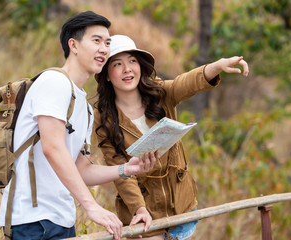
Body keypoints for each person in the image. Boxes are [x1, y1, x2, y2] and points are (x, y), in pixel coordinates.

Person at [0, 12, 158, 240]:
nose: (104, 49)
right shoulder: (54, 82)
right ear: (73, 44)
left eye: (107, 43)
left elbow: (82, 169)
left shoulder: (85, 105)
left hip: (62, 220)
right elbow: (52, 148)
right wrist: (91, 206)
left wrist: (125, 170)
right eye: (96, 41)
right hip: (32, 221)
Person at [93, 35, 249, 240]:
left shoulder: (160, 93)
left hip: (182, 208)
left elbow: (187, 83)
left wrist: (217, 66)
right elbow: (121, 171)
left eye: (132, 61)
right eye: (117, 64)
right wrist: (140, 209)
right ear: (106, 74)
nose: (127, 69)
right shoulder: (103, 118)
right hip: (145, 217)